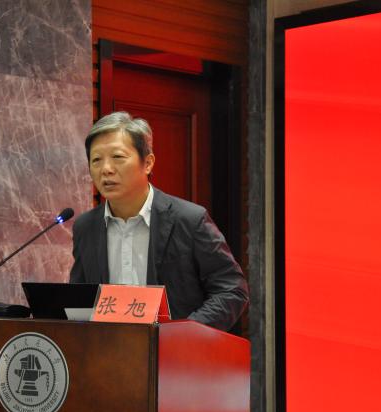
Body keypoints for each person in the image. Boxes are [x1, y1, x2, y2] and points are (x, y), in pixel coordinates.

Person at [69, 111, 248, 332]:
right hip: (110, 351)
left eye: (117, 157)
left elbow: (232, 290)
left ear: (147, 163)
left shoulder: (189, 220)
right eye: (96, 160)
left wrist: (185, 332)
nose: (106, 169)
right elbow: (78, 301)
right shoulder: (86, 227)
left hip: (176, 350)